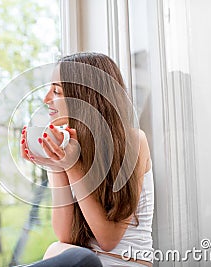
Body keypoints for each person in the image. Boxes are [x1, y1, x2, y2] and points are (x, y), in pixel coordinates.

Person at [20, 52, 154, 267]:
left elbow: (108, 240)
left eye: (56, 91)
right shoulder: (68, 145)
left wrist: (73, 167)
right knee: (60, 249)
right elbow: (67, 236)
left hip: (123, 263)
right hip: (83, 262)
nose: (46, 99)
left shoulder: (134, 141)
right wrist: (54, 166)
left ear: (84, 97)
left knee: (77, 257)